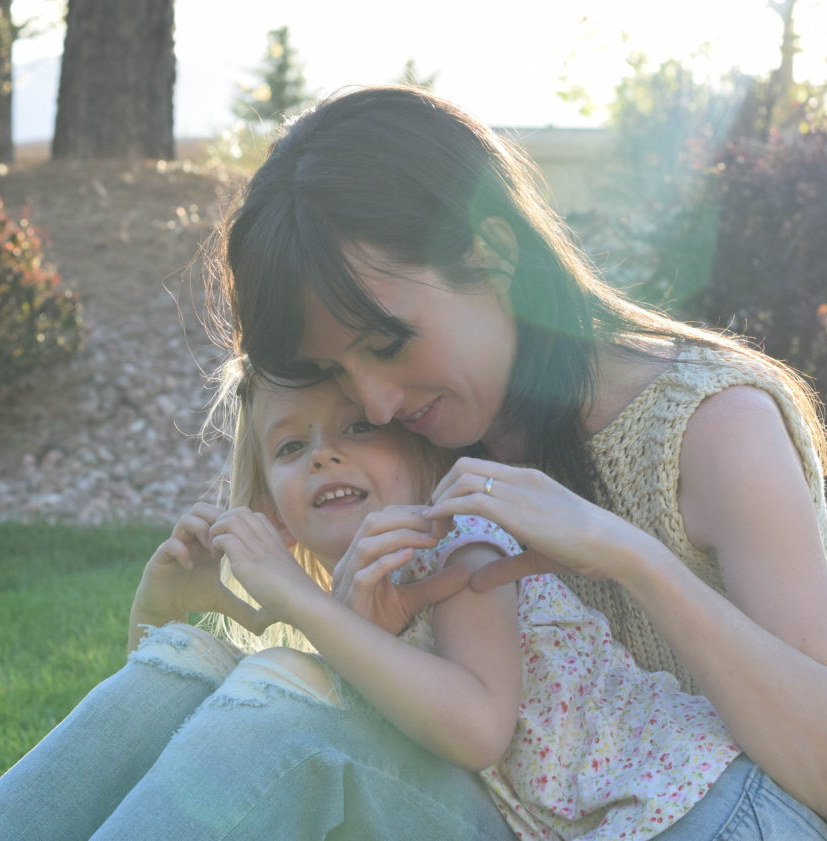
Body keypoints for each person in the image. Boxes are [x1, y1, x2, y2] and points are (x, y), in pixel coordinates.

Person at [214, 83, 827, 829]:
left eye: (386, 343)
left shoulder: (713, 425)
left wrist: (631, 557)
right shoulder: (427, 442)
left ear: (495, 252)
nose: (372, 403)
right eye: (338, 371)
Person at [0, 367, 750, 840]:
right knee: (199, 660)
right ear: (273, 505)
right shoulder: (352, 593)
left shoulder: (461, 544)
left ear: (428, 452)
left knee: (289, 669)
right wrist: (162, 622)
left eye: (357, 425)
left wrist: (296, 599)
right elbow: (192, 742)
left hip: (682, 821)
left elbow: (477, 727)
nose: (324, 450)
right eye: (291, 445)